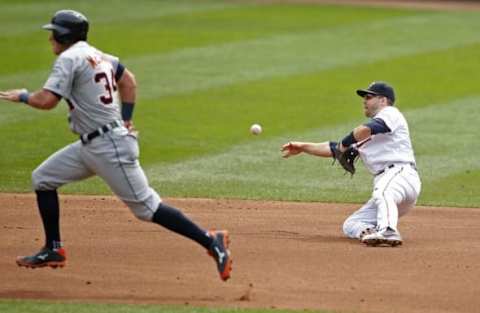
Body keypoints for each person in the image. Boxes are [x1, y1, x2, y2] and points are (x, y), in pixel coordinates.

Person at [0, 10, 232, 280]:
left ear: (63, 36)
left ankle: (211, 240)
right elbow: (128, 80)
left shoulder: (69, 59)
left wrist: (24, 96)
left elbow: (46, 101)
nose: (50, 37)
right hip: (92, 145)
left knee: (147, 208)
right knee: (43, 178)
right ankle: (53, 249)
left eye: (53, 32)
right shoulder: (98, 55)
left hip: (108, 147)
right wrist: (127, 120)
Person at [281, 82, 421, 247]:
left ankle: (389, 230)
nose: (364, 101)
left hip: (400, 175)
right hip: (392, 182)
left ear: (383, 100)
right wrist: (304, 147)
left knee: (383, 193)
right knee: (352, 223)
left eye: (369, 97)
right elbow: (334, 149)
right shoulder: (369, 137)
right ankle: (371, 233)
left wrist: (344, 143)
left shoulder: (390, 113)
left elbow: (362, 131)